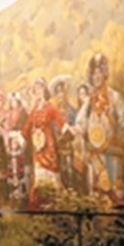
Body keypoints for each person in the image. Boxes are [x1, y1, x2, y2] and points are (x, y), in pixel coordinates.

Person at [75, 53, 124, 209]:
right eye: (94, 73)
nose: (96, 77)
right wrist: (77, 133)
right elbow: (80, 124)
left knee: (117, 195)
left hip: (113, 155)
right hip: (95, 158)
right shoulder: (89, 102)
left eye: (99, 73)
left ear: (104, 74)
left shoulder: (115, 97)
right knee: (97, 198)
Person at [21, 78, 72, 209]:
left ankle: (55, 204)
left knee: (51, 171)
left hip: (48, 145)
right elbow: (28, 125)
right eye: (36, 89)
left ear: (44, 90)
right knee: (38, 173)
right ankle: (40, 204)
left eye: (40, 89)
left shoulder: (50, 107)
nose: (38, 92)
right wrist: (21, 136)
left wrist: (67, 129)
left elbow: (59, 120)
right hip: (37, 146)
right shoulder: (34, 109)